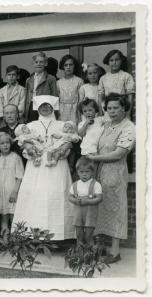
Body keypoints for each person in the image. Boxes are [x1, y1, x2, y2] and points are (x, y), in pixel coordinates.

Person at [11, 96, 74, 241]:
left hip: (56, 164)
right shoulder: (31, 125)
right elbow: (23, 142)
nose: (45, 108)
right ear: (37, 107)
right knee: (35, 196)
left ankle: (57, 236)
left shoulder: (61, 124)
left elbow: (69, 140)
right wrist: (28, 146)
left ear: (53, 107)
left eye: (48, 106)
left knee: (55, 195)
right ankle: (33, 234)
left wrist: (63, 147)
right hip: (36, 165)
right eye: (42, 106)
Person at [87, 94, 135, 264]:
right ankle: (99, 247)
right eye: (109, 108)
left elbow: (119, 153)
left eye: (116, 107)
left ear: (124, 108)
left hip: (115, 172)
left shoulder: (129, 127)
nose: (112, 111)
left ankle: (115, 251)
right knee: (98, 207)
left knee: (115, 208)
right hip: (99, 171)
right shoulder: (105, 125)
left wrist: (94, 158)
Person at [0, 133, 24, 248]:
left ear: (11, 144)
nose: (5, 145)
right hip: (0, 191)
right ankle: (5, 240)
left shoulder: (16, 157)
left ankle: (16, 241)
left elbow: (19, 177)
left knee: (13, 216)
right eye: (2, 143)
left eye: (7, 143)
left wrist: (15, 192)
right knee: (4, 216)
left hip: (12, 190)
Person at [68, 157, 102, 247]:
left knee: (88, 235)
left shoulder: (96, 184)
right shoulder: (75, 185)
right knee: (79, 235)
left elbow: (99, 198)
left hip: (90, 213)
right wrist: (75, 200)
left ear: (92, 172)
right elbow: (70, 197)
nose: (84, 174)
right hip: (78, 213)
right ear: (77, 172)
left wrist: (88, 201)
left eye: (87, 172)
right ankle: (79, 254)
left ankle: (90, 253)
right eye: (81, 172)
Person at [98, 49, 135, 119]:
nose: (114, 62)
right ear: (108, 62)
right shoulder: (103, 78)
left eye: (117, 60)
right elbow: (100, 96)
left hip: (122, 108)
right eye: (111, 60)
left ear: (121, 61)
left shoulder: (126, 76)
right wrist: (100, 112)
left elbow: (130, 96)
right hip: (108, 109)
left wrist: (128, 112)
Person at [24, 52, 58, 123]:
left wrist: (54, 113)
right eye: (36, 62)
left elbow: (54, 97)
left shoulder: (50, 79)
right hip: (31, 107)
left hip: (44, 107)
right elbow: (26, 97)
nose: (38, 64)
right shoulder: (29, 80)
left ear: (45, 64)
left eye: (41, 62)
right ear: (33, 64)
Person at [57, 54, 84, 123]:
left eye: (70, 65)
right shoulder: (58, 82)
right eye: (66, 65)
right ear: (63, 67)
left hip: (75, 109)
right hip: (62, 110)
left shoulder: (79, 81)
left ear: (74, 66)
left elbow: (81, 99)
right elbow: (57, 99)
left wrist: (78, 111)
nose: (68, 67)